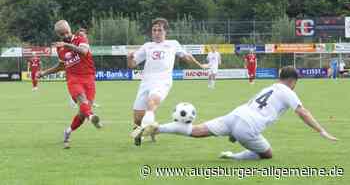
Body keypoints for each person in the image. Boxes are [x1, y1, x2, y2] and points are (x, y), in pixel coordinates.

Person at [135, 66, 337, 160]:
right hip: (247, 126)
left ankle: (157, 128)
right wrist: (321, 131)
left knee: (196, 130)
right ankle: (233, 156)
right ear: (293, 82)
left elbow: (252, 105)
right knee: (267, 154)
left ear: (279, 76)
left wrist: (233, 130)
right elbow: (303, 112)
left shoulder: (269, 87)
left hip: (236, 114)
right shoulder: (287, 91)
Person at [128, 18, 206, 146]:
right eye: (154, 30)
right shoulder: (147, 46)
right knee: (137, 118)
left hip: (163, 82)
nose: (157, 32)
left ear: (165, 32)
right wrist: (130, 58)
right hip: (146, 83)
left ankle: (147, 129)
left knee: (151, 102)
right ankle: (147, 130)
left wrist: (197, 63)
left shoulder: (173, 44)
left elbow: (186, 57)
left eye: (160, 30)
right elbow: (132, 65)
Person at [38, 20, 102, 149]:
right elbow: (61, 66)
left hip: (88, 77)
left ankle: (68, 131)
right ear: (58, 35)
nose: (65, 35)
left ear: (70, 29)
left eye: (66, 32)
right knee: (82, 101)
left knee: (82, 113)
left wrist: (68, 45)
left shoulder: (81, 38)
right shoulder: (60, 47)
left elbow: (83, 51)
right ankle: (92, 117)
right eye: (62, 34)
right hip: (73, 79)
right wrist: (44, 73)